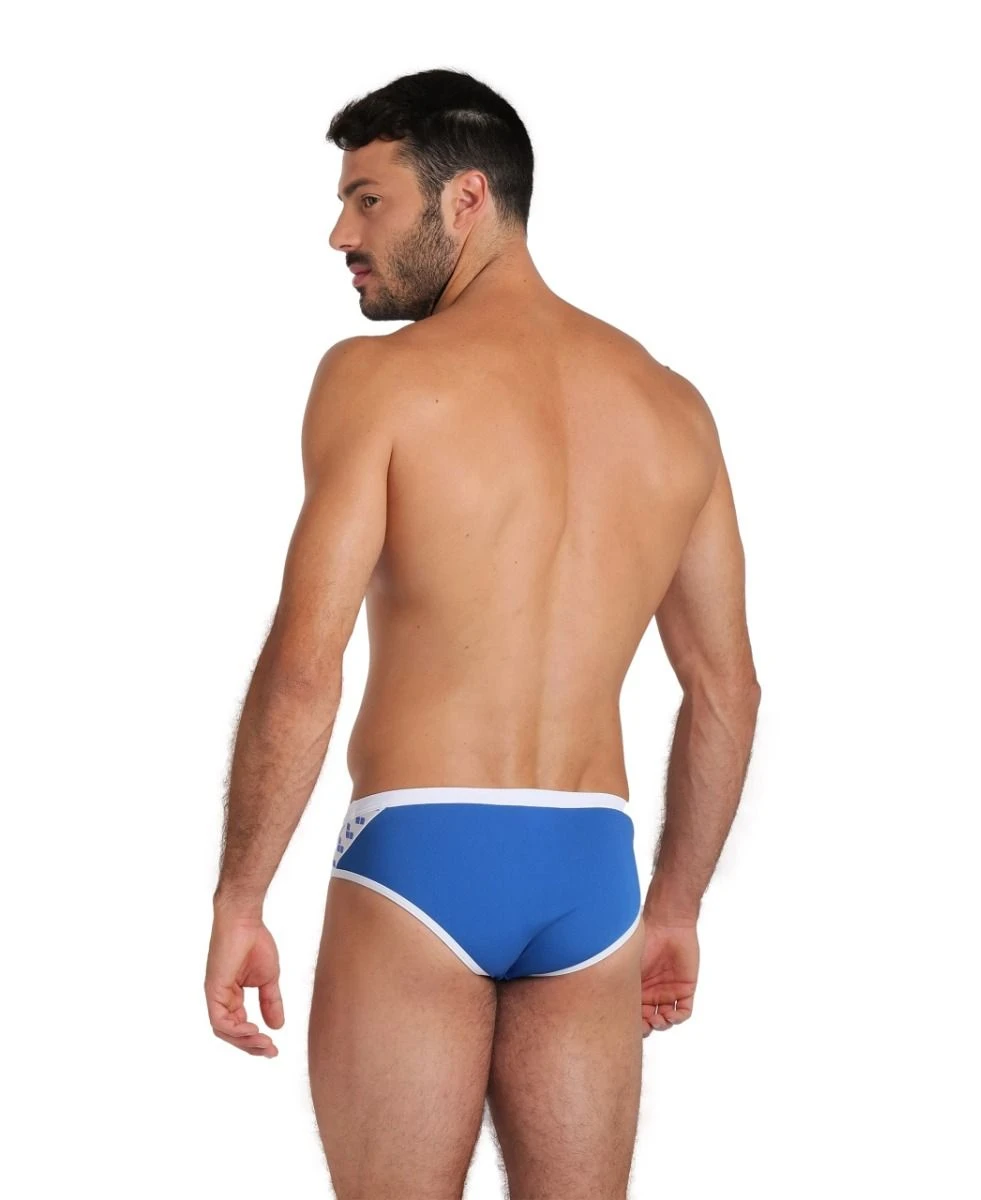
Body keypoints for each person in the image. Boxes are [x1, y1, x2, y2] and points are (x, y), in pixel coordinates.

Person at [204, 67, 761, 1200]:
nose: (341, 235)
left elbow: (304, 666)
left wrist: (239, 899)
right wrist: (676, 906)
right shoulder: (671, 406)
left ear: (467, 199)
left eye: (368, 200)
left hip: (421, 856)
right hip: (594, 875)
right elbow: (725, 690)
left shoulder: (376, 381)